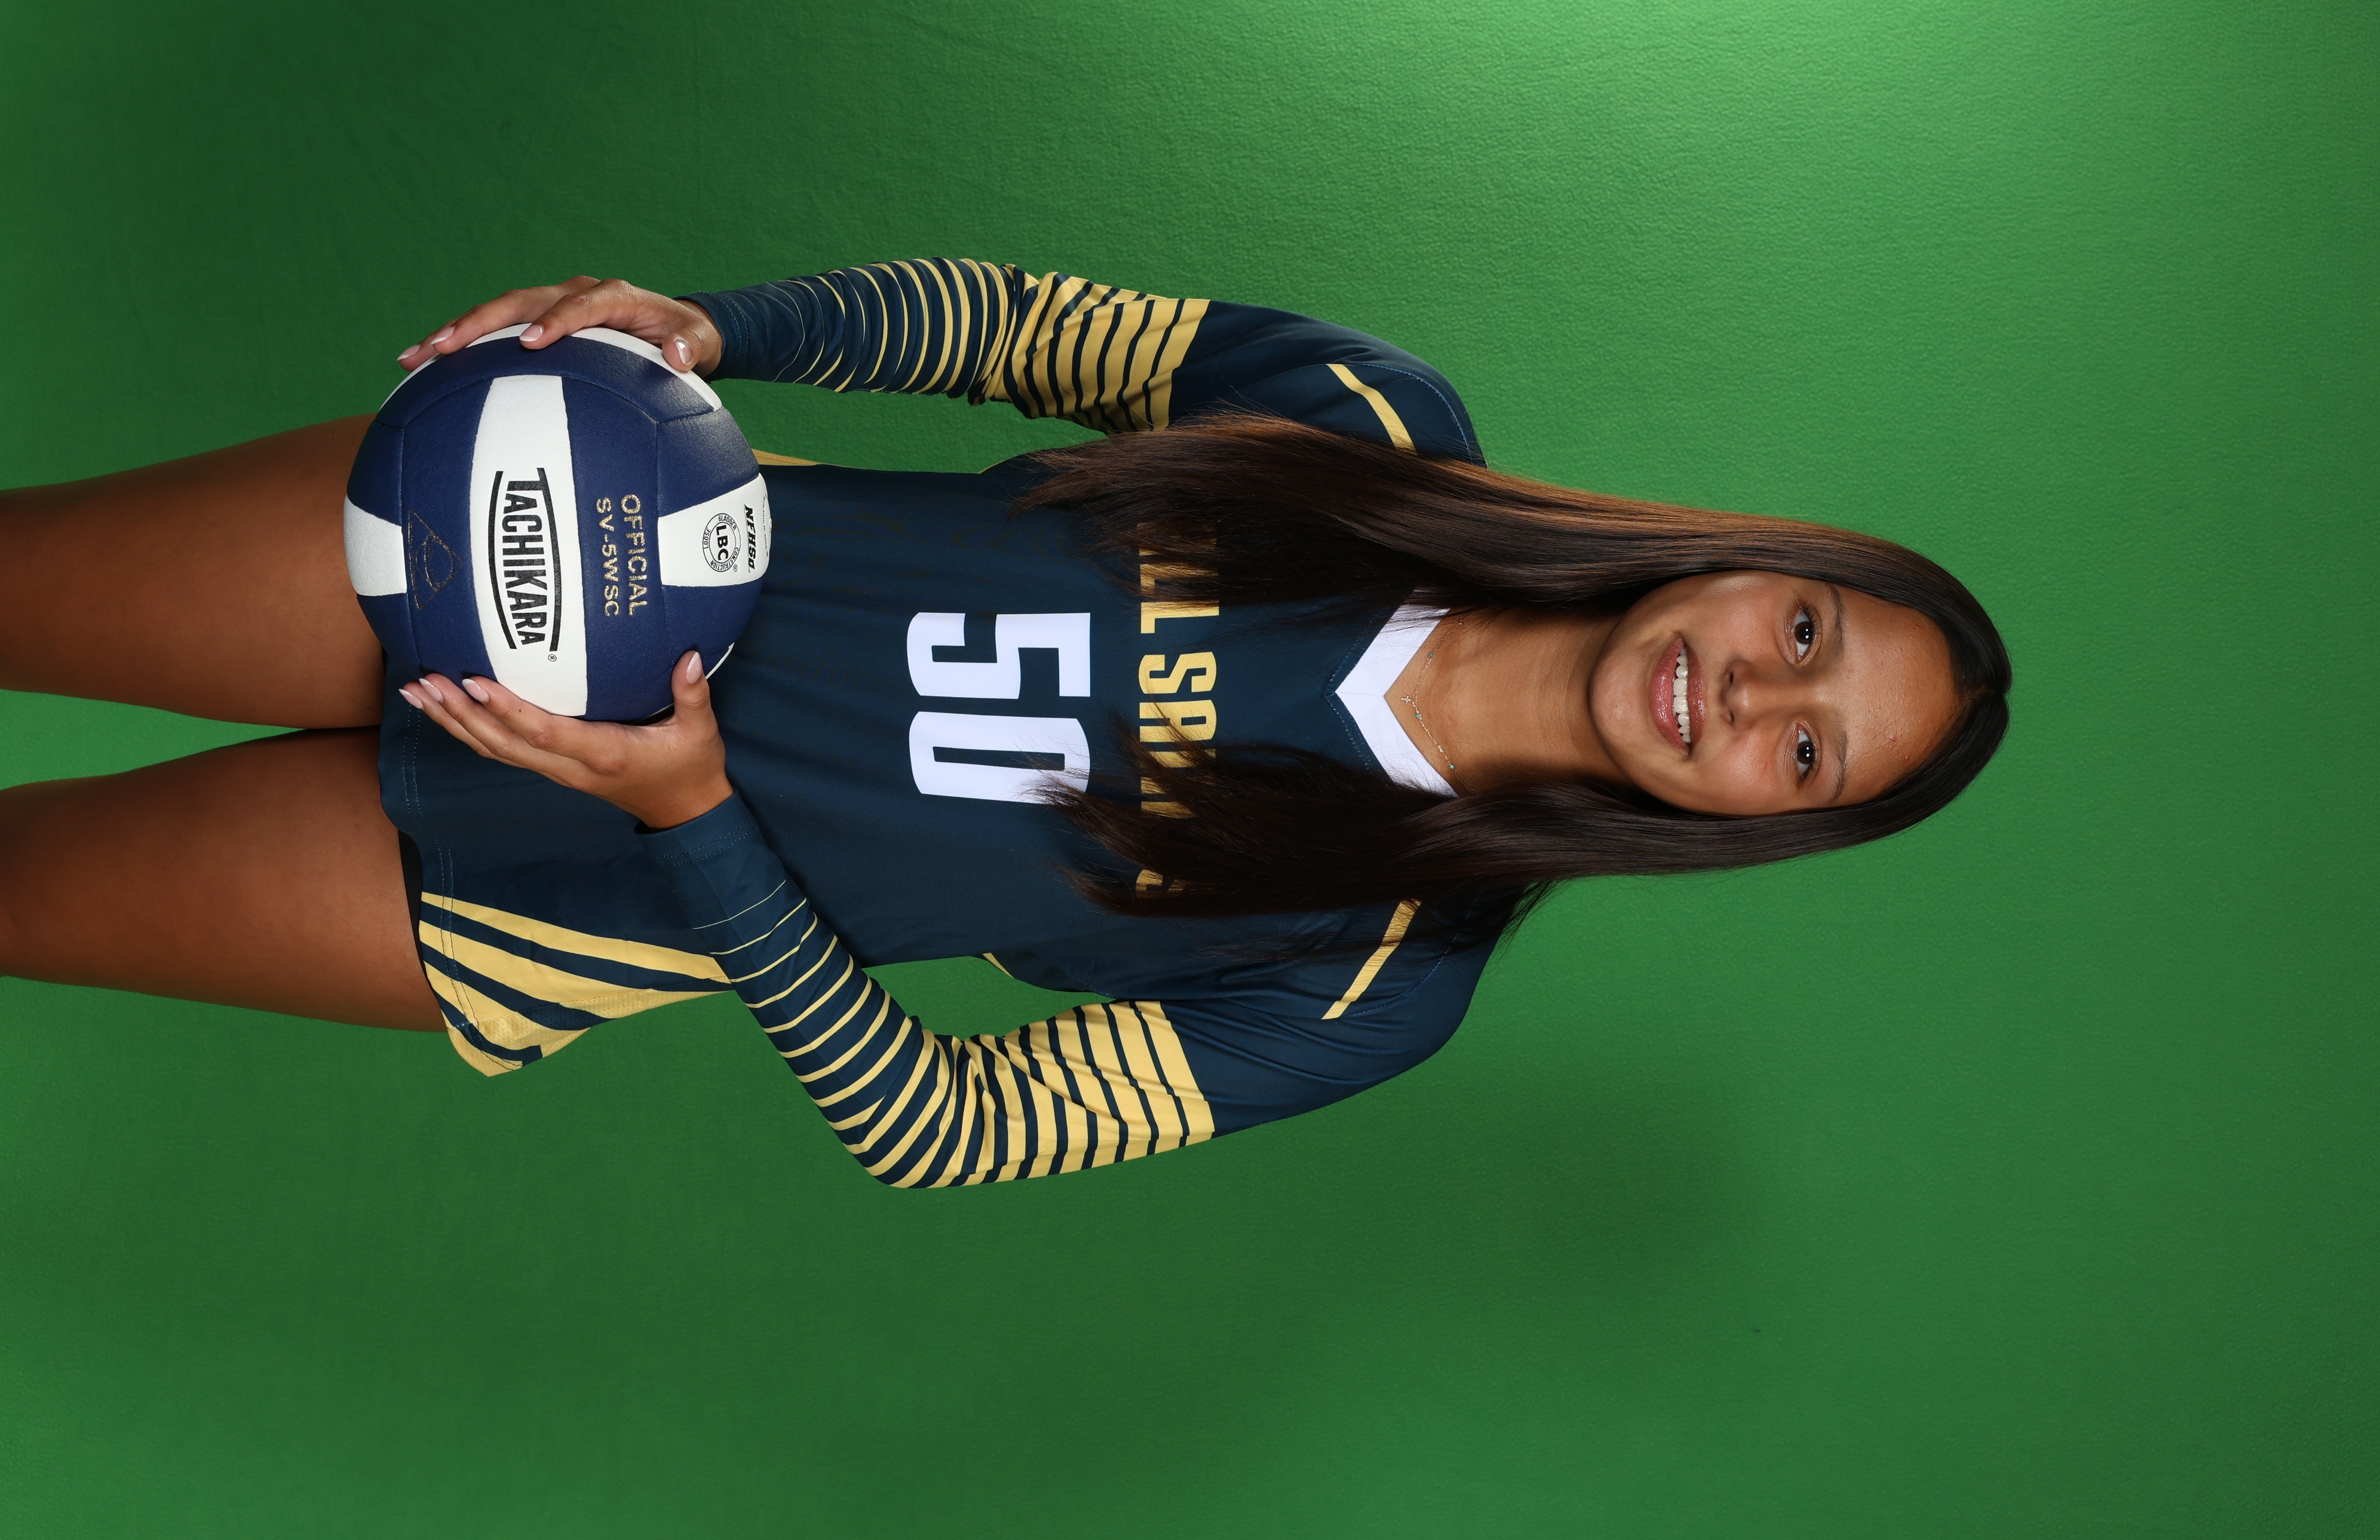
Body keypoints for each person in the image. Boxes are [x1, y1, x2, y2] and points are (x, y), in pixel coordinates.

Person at [0, 259, 2010, 1188]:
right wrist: (717, 332)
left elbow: (944, 1125)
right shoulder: (1368, 426)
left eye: (1807, 748)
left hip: (539, 899)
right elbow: (1014, 330)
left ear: (1765, 820)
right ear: (1755, 559)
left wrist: (694, 818)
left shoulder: (1371, 983)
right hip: (538, 549)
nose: (1757, 691)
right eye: (1807, 630)